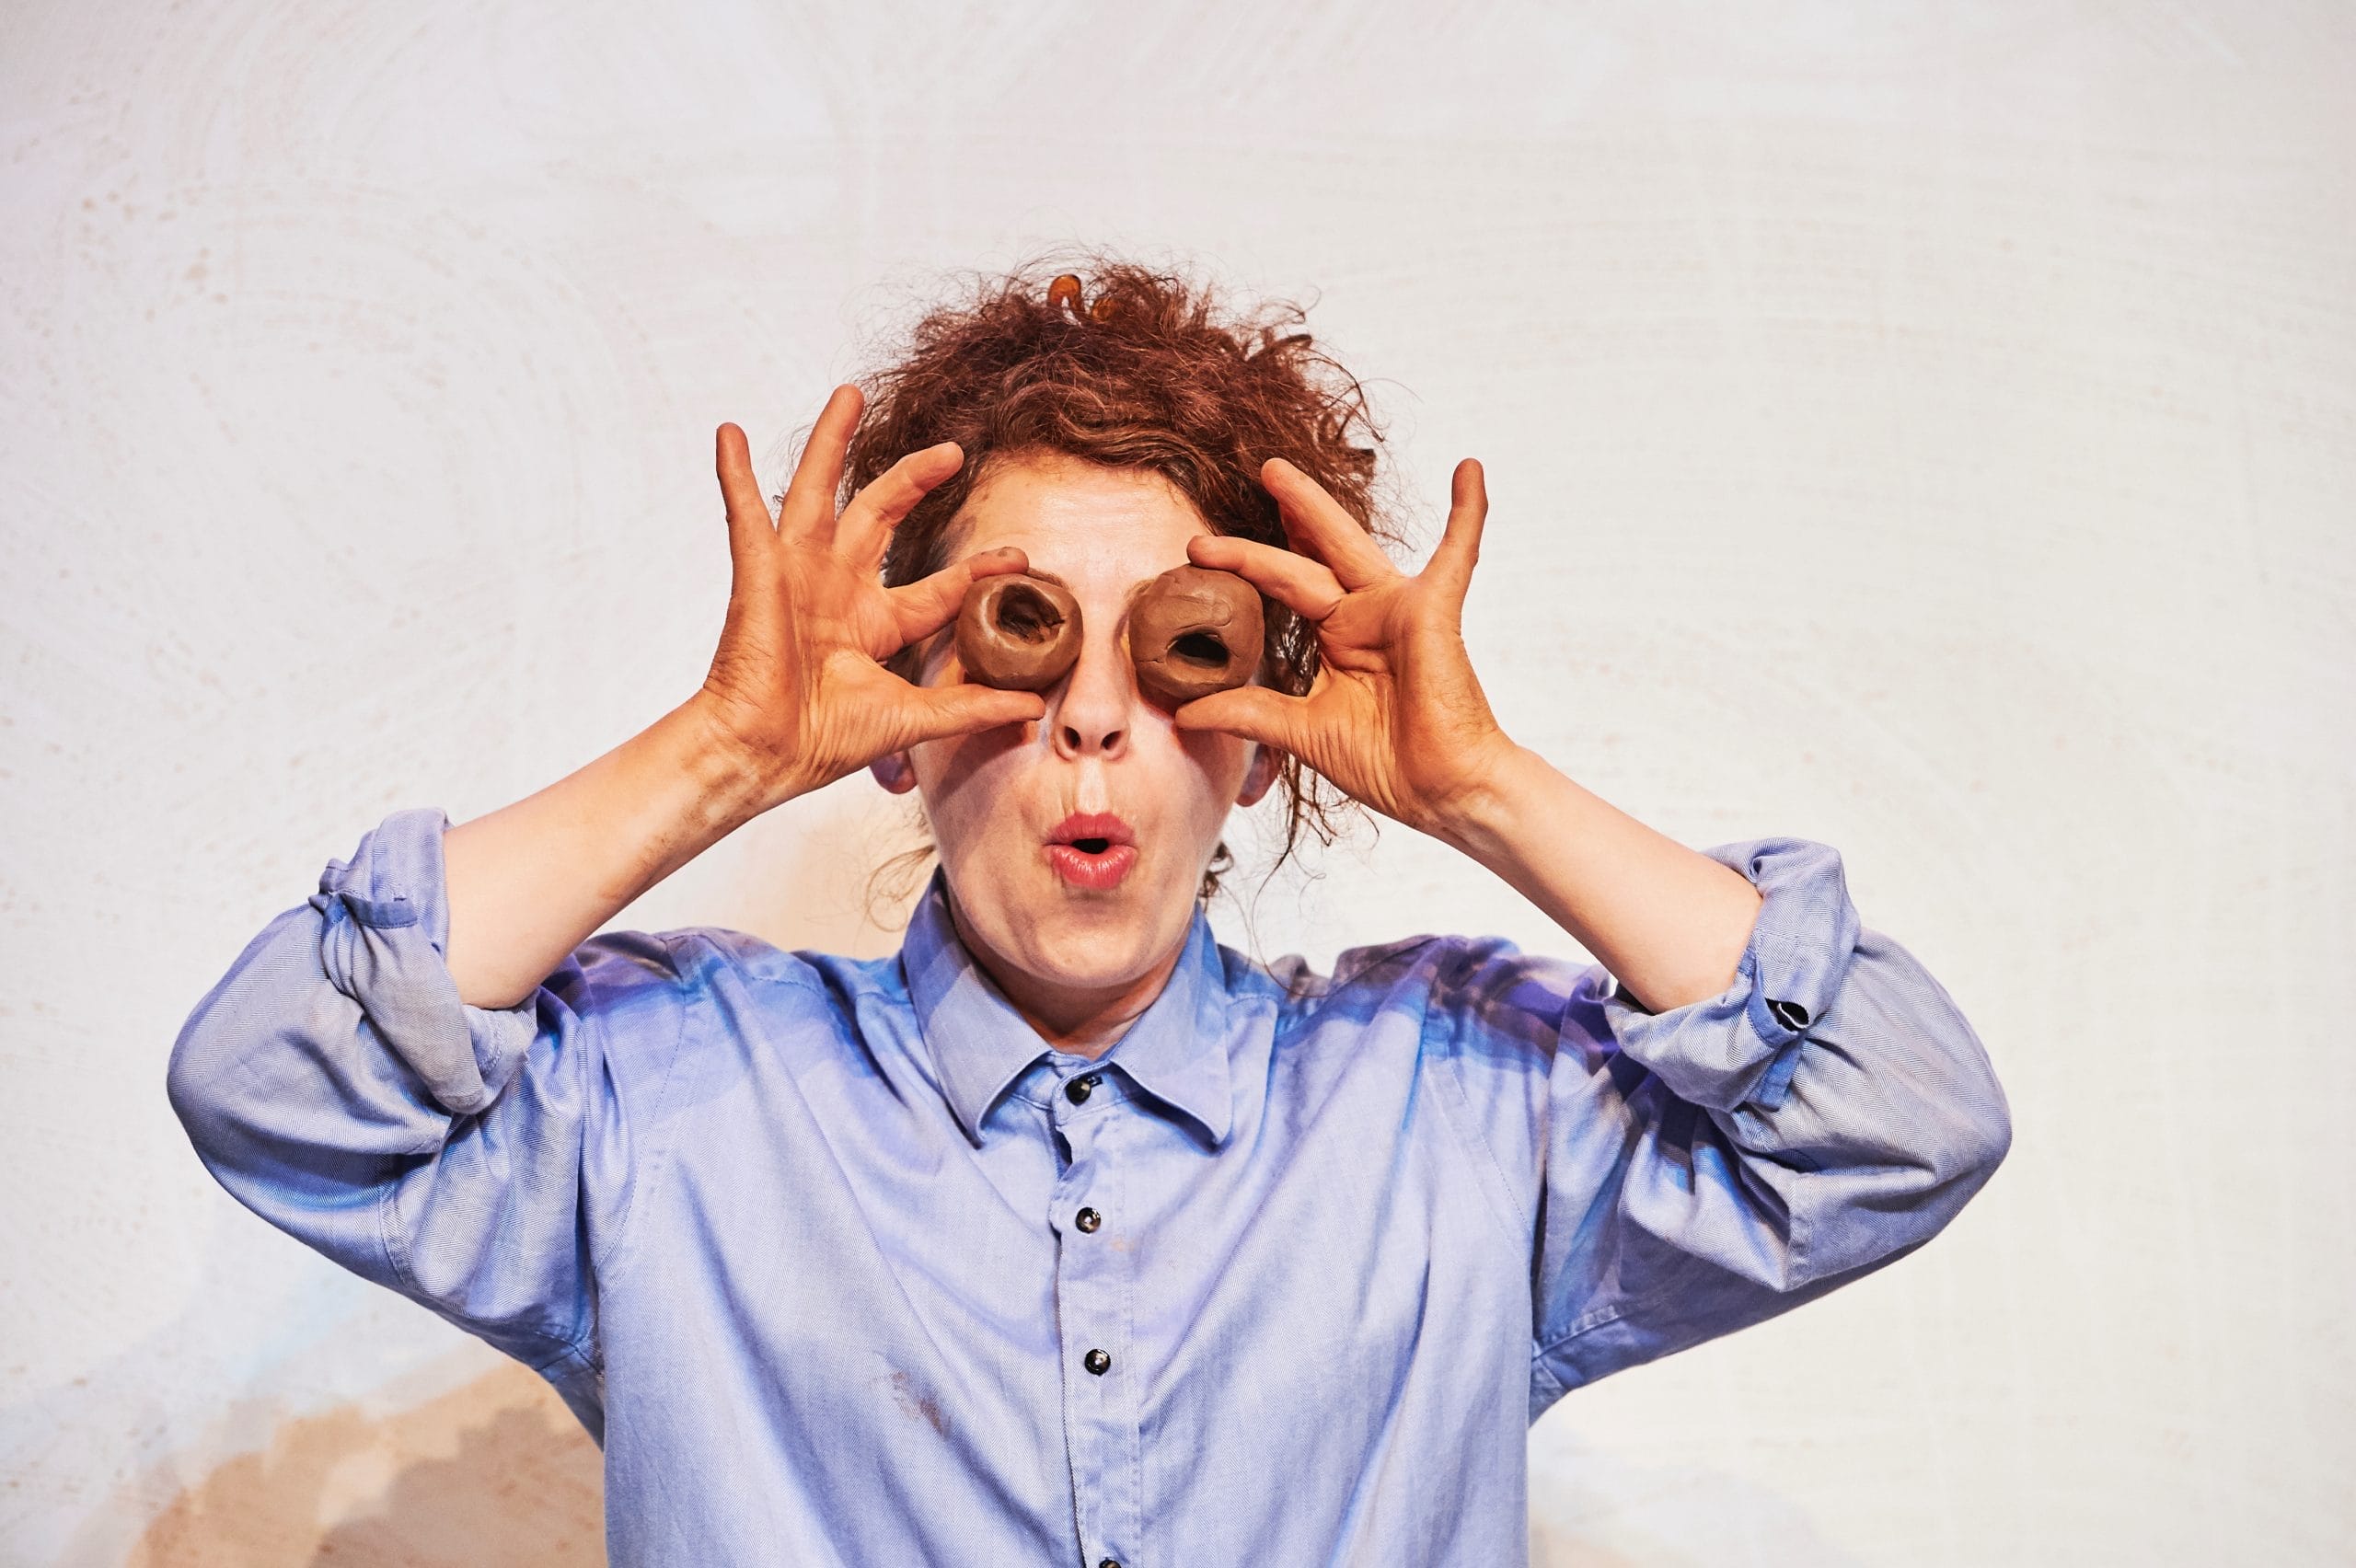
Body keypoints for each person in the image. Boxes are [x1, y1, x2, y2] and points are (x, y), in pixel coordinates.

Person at [167, 259, 2012, 1566]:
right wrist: (726, 751)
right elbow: (276, 1081)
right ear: (893, 717)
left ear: (1268, 735)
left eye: (1183, 651)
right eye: (1017, 629)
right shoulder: (670, 1111)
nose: (1096, 715)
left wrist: (1479, 789)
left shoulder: (1455, 1111)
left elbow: (1895, 1119)